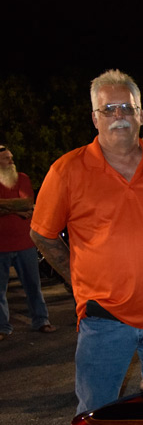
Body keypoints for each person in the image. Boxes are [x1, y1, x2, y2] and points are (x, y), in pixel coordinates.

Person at [30, 70, 143, 414]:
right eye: (109, 109)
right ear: (94, 118)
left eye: (127, 108)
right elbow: (42, 233)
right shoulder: (67, 170)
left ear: (141, 115)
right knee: (96, 416)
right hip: (103, 319)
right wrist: (77, 281)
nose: (119, 116)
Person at [1, 145, 56, 340]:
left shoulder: (22, 178)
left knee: (33, 285)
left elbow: (26, 203)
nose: (11, 161)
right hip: (1, 246)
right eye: (7, 158)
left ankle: (41, 320)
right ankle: (2, 327)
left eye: (11, 157)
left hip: (25, 243)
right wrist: (17, 209)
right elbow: (22, 207)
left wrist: (6, 207)